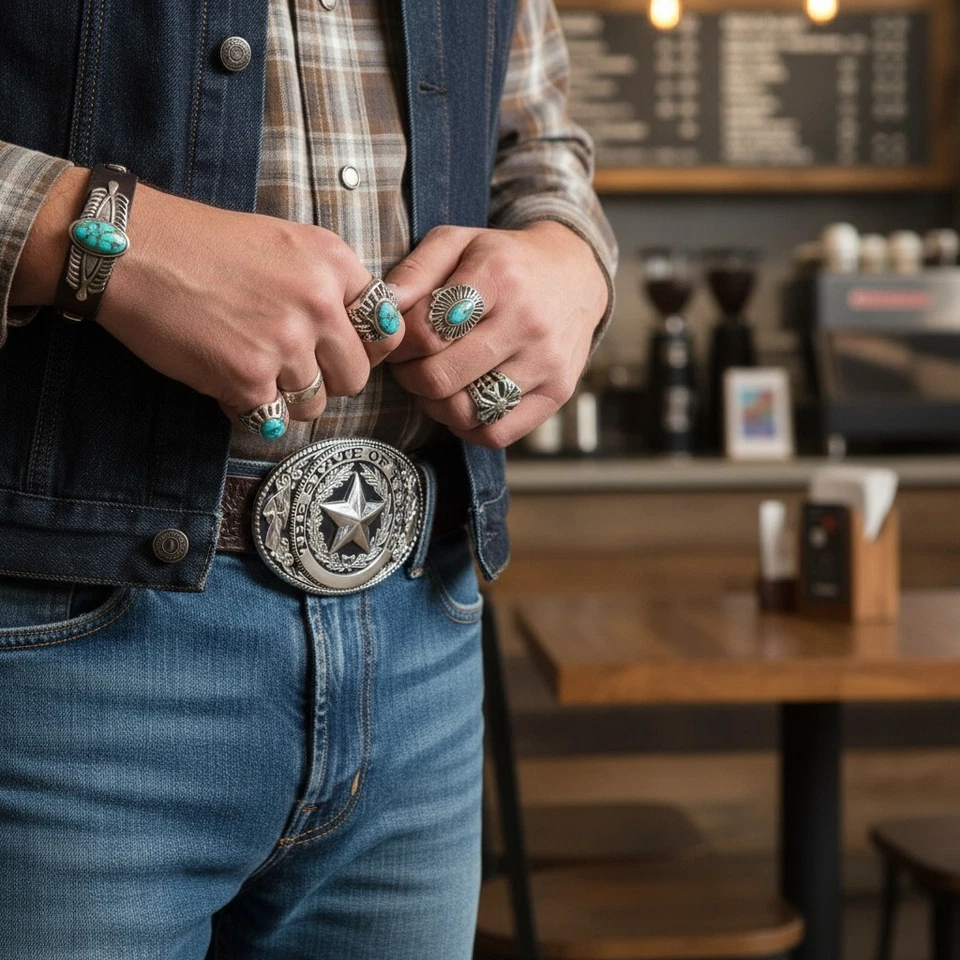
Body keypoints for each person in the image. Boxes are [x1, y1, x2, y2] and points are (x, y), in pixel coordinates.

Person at [0, 0, 617, 956]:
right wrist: (99, 238)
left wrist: (571, 258)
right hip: (53, 645)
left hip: (426, 633)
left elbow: (536, 142)